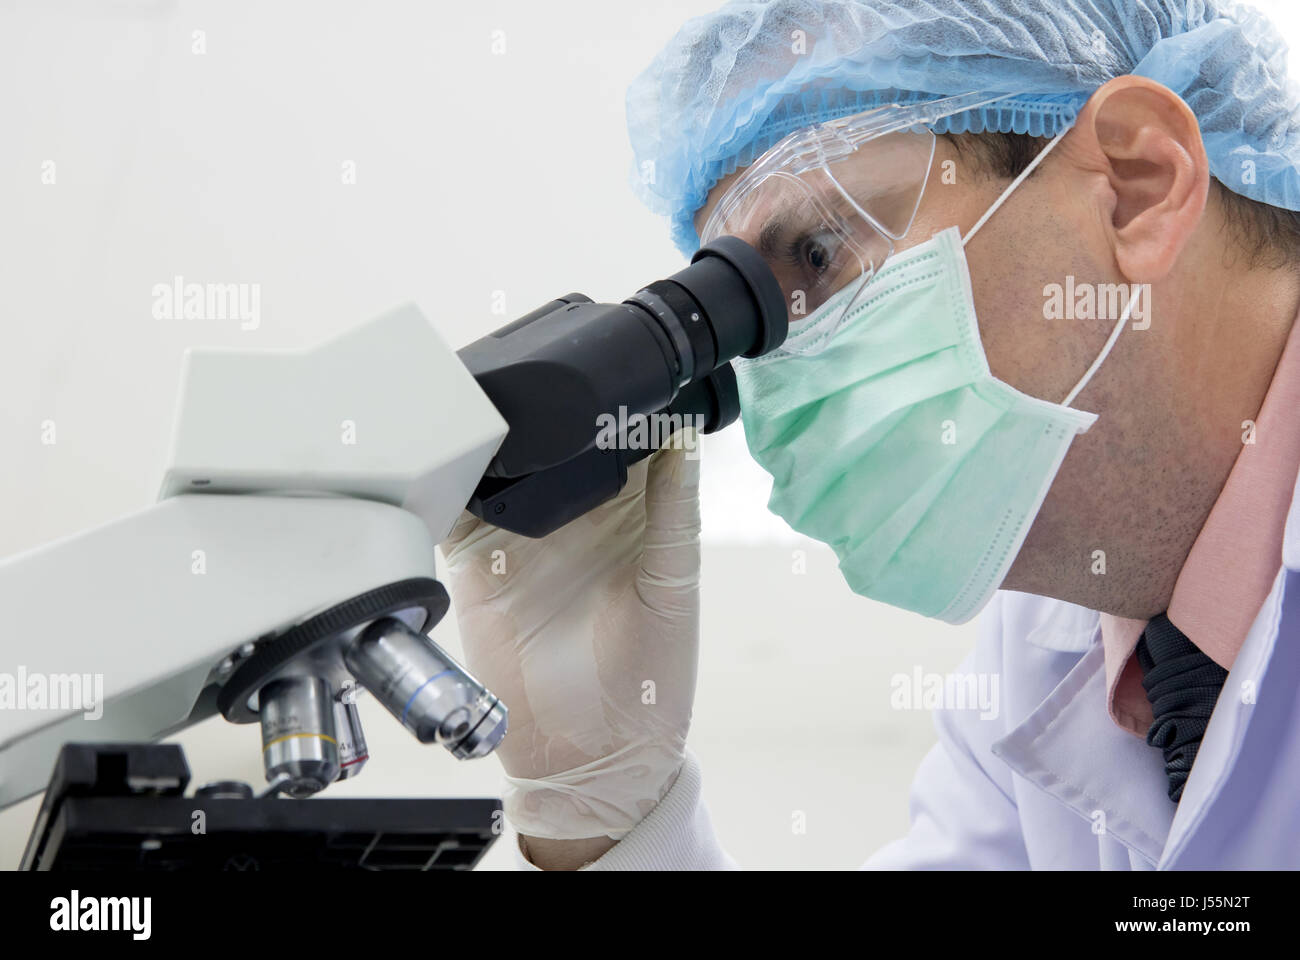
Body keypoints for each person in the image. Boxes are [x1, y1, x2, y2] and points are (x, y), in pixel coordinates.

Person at [442, 0, 1300, 869]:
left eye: (816, 254)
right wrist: (608, 811)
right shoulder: (1048, 657)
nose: (782, 381)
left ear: (1135, 184)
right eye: (755, 328)